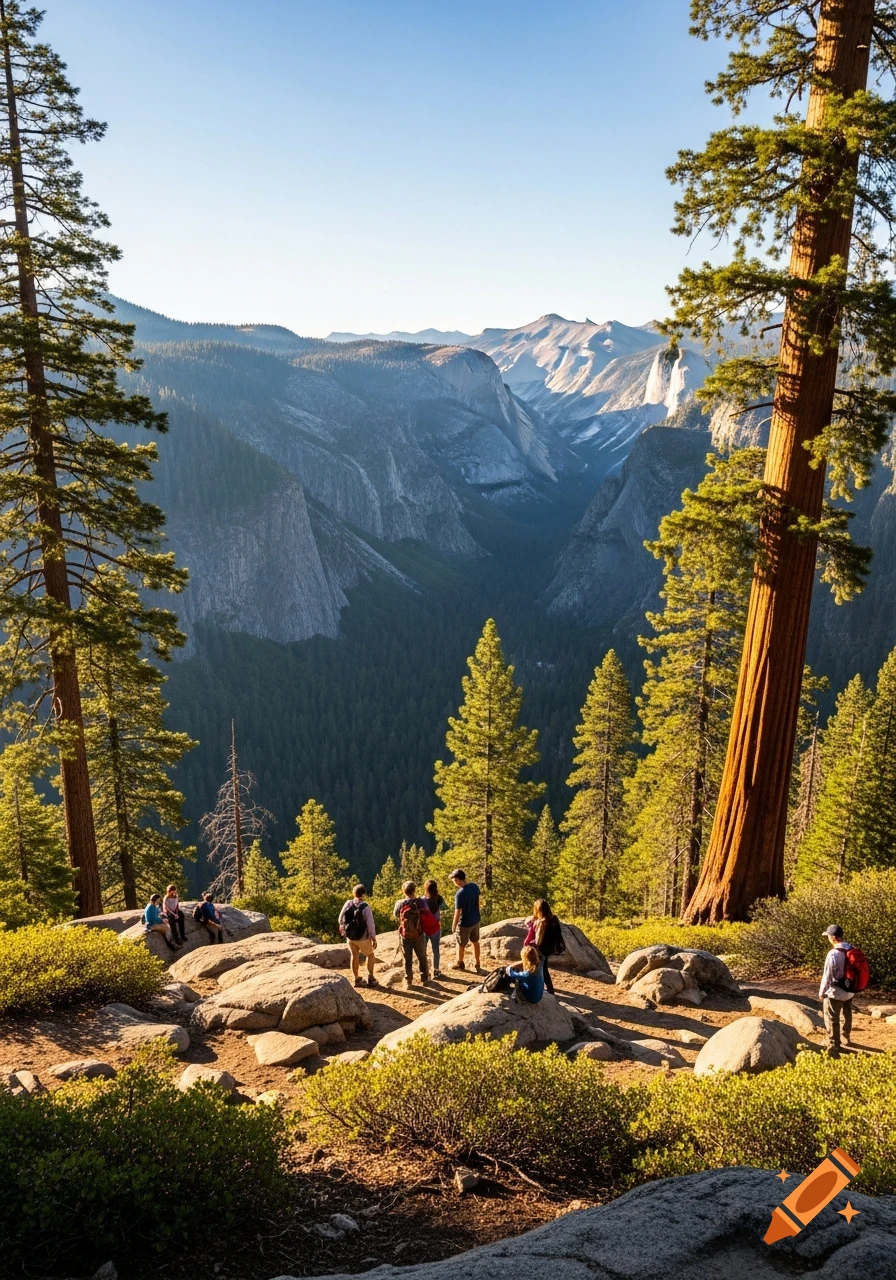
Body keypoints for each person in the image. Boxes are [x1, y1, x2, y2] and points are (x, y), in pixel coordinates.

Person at [819, 923, 854, 1058]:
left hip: (836, 991)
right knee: (847, 1013)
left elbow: (827, 975)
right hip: (850, 989)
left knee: (832, 1016)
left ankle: (834, 1044)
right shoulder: (851, 948)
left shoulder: (833, 954)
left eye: (828, 936)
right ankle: (846, 1036)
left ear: (833, 937)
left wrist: (822, 992)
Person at [392, 880, 431, 990]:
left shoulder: (400, 903)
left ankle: (408, 980)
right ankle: (425, 978)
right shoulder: (421, 902)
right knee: (422, 956)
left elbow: (395, 914)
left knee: (407, 958)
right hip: (419, 934)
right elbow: (426, 913)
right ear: (414, 890)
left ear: (404, 891)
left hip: (405, 935)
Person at [339, 883, 378, 988]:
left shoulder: (348, 903)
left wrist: (344, 930)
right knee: (370, 955)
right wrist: (373, 938)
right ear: (363, 894)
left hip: (350, 937)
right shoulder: (365, 907)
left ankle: (356, 979)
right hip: (362, 937)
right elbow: (370, 924)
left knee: (354, 955)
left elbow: (340, 918)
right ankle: (371, 977)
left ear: (354, 893)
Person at [525, 899, 563, 995]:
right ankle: (548, 989)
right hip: (551, 948)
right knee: (544, 968)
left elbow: (538, 941)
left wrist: (529, 945)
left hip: (542, 949)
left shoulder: (541, 922)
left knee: (542, 970)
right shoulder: (554, 919)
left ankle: (549, 990)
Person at [449, 869, 482, 973]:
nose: (454, 882)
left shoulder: (460, 894)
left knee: (461, 944)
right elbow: (478, 902)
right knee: (475, 942)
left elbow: (458, 912)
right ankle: (477, 962)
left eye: (454, 880)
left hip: (465, 923)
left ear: (458, 880)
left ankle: (460, 963)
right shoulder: (475, 886)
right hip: (476, 920)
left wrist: (454, 926)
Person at [422, 878, 448, 979]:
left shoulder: (422, 900)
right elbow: (445, 908)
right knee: (435, 950)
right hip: (435, 928)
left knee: (423, 951)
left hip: (424, 929)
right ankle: (436, 971)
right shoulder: (439, 899)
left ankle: (425, 971)